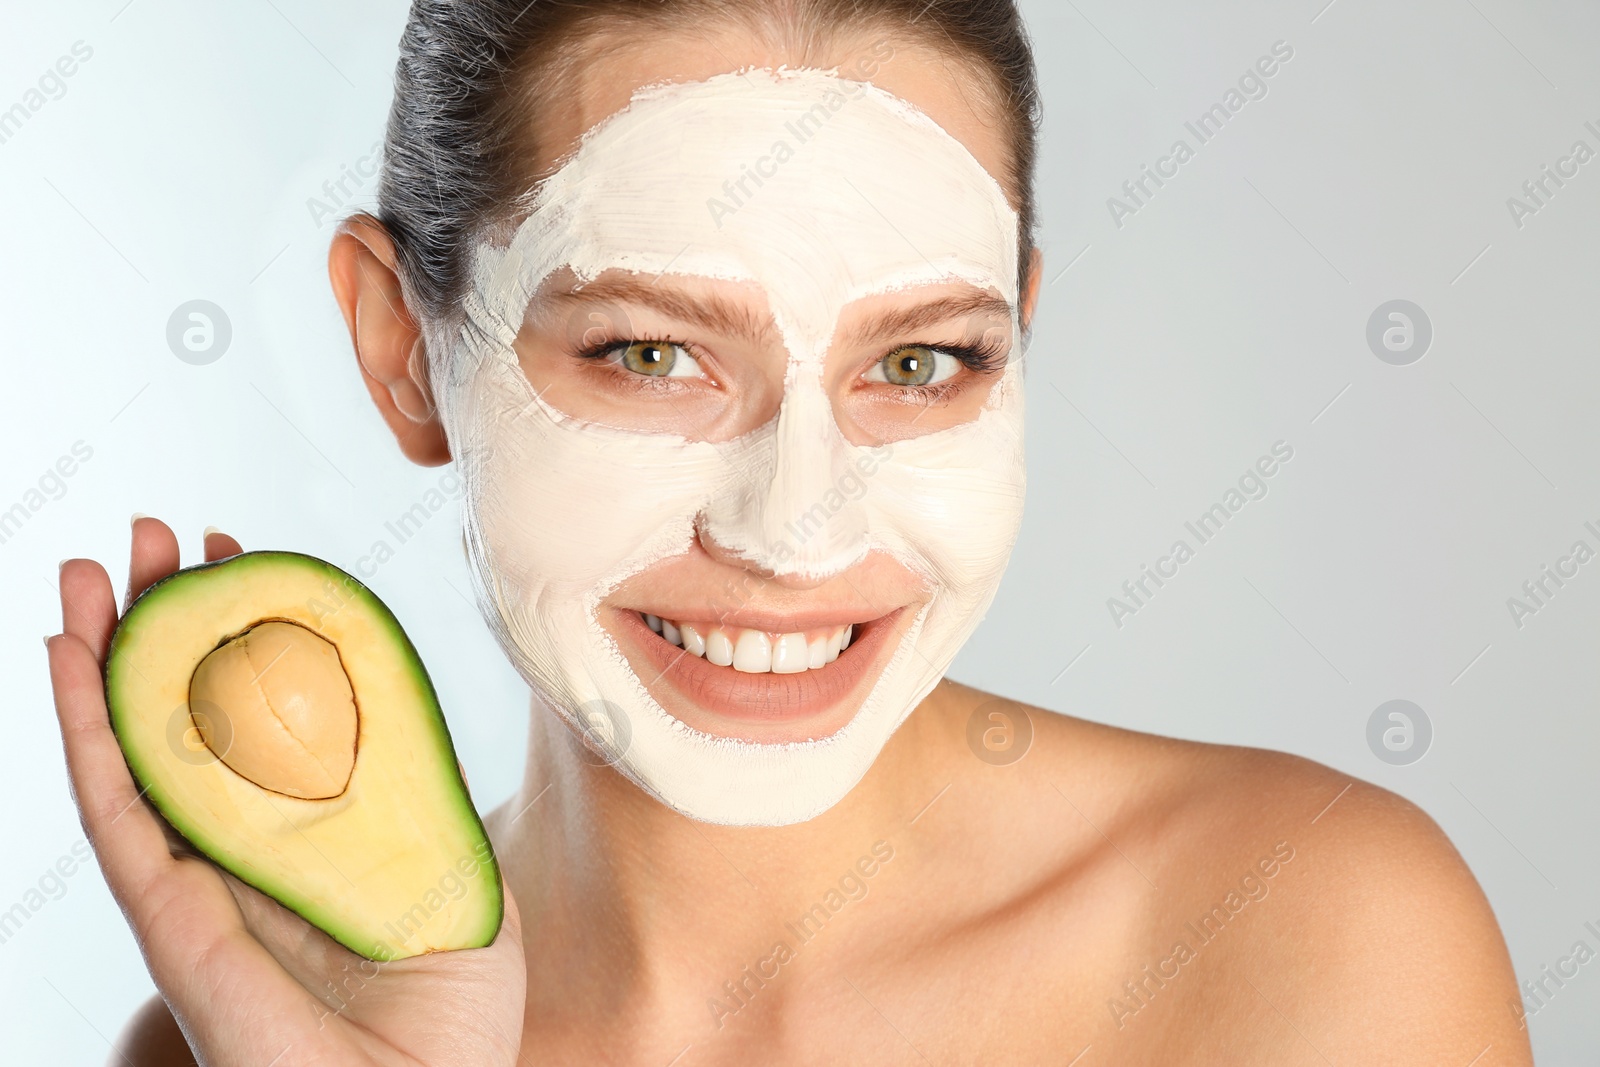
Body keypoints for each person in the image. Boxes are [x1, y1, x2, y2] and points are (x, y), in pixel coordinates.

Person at [46, 1, 1532, 1063]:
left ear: (1021, 333)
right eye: (648, 353)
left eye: (920, 362)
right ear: (401, 349)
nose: (793, 526)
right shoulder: (248, 1040)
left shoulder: (1310, 931)